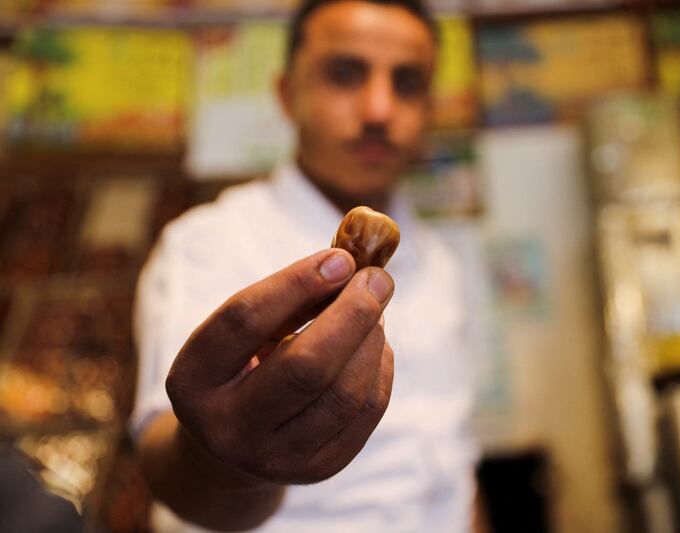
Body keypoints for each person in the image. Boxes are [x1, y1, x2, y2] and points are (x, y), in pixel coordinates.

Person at [131, 0, 481, 531]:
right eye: (344, 74)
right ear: (286, 94)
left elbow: (452, 466)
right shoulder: (207, 242)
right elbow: (166, 460)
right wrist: (227, 462)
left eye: (407, 83)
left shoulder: (443, 263)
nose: (379, 110)